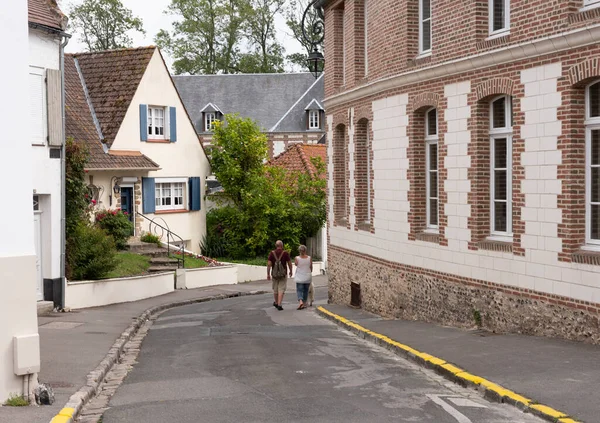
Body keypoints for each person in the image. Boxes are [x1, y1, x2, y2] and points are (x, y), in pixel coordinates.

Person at [267, 240, 292, 310]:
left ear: (276, 246)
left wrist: (268, 274)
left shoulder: (272, 253)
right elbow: (289, 263)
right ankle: (279, 304)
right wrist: (291, 271)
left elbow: (269, 265)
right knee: (281, 289)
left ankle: (276, 302)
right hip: (283, 274)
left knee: (275, 289)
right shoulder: (285, 253)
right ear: (282, 246)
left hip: (274, 274)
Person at [294, 245, 313, 310]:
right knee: (306, 290)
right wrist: (310, 272)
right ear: (305, 250)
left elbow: (296, 264)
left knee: (299, 290)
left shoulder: (297, 258)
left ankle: (301, 301)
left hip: (299, 276)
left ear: (299, 251)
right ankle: (304, 303)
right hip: (307, 276)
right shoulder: (309, 258)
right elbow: (311, 267)